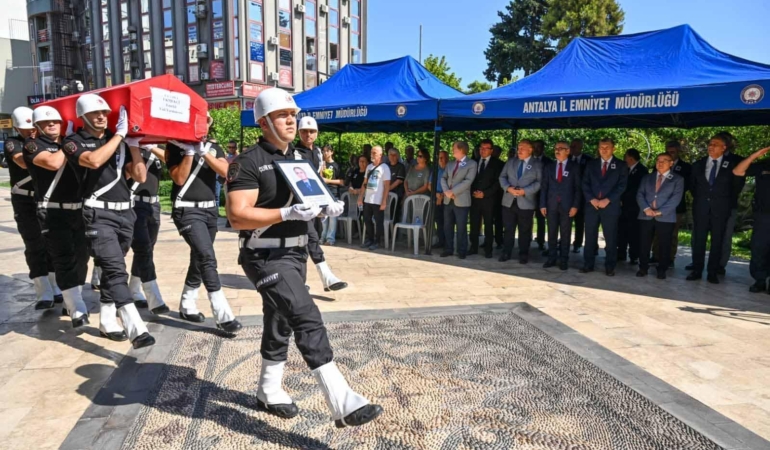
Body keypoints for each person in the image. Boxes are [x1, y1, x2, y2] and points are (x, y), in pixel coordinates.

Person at [226, 88, 382, 427]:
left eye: (293, 114)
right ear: (264, 122)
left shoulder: (300, 157)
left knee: (280, 319)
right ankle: (342, 400)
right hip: (264, 255)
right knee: (305, 314)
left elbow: (311, 199)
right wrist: (286, 213)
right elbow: (237, 215)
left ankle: (268, 389)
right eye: (283, 115)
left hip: (295, 253)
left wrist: (326, 207)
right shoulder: (248, 161)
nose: (291, 120)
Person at [64, 95, 155, 348]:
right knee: (115, 268)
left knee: (110, 269)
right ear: (83, 116)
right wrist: (119, 136)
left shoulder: (119, 141)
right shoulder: (73, 142)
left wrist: (133, 143)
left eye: (104, 112)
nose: (102, 116)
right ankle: (135, 328)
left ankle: (106, 320)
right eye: (95, 113)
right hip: (97, 214)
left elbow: (140, 175)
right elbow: (93, 161)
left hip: (126, 214)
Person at [166, 115, 241, 332]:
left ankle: (187, 304)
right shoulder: (174, 145)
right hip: (187, 210)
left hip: (209, 211)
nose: (204, 123)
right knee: (207, 257)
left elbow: (226, 172)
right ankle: (222, 314)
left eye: (208, 119)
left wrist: (202, 150)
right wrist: (189, 151)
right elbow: (179, 178)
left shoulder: (214, 147)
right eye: (199, 119)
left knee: (199, 258)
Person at [23, 106, 89, 328]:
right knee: (63, 258)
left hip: (77, 209)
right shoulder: (33, 146)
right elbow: (53, 163)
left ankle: (72, 300)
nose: (52, 125)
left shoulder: (69, 144)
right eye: (46, 122)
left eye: (56, 122)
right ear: (38, 126)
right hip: (52, 210)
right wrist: (70, 142)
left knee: (82, 257)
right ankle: (77, 306)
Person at [6, 107, 63, 310]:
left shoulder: (44, 143)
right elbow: (22, 163)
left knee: (51, 242)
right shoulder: (14, 143)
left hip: (43, 198)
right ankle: (43, 291)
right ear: (16, 127)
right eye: (25, 128)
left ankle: (55, 286)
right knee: (34, 243)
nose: (30, 131)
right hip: (24, 200)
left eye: (32, 127)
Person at [295, 117, 347, 292]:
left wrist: (326, 203)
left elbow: (318, 179)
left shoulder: (317, 152)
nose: (307, 134)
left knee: (312, 237)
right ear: (299, 132)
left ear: (316, 133)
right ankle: (327, 277)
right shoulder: (294, 152)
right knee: (310, 239)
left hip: (316, 202)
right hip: (301, 204)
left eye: (311, 131)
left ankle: (300, 281)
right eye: (304, 131)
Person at [687, 135, 742, 284]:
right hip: (701, 208)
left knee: (718, 240)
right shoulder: (698, 164)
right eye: (710, 144)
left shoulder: (732, 165)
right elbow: (693, 187)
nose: (711, 146)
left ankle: (713, 272)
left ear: (724, 148)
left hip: (721, 209)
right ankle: (697, 270)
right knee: (699, 240)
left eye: (715, 144)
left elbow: (736, 188)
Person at [127, 142, 170, 314]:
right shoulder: (130, 146)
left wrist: (151, 146)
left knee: (148, 248)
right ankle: (154, 298)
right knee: (143, 248)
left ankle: (134, 289)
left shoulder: (156, 147)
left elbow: (170, 160)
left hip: (153, 204)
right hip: (134, 203)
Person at [580, 138, 628, 276]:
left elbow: (622, 186)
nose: (604, 149)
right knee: (589, 237)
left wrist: (608, 200)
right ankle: (588, 265)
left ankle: (610, 266)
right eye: (601, 147)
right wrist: (591, 199)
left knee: (611, 238)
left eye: (607, 147)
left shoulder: (621, 165)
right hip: (592, 206)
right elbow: (585, 183)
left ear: (614, 148)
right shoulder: (591, 164)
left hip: (610, 207)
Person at [636, 153, 684, 279]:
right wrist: (646, 209)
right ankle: (643, 268)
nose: (660, 163)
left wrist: (660, 211)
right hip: (646, 215)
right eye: (658, 160)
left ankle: (661, 269)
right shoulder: (647, 177)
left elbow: (675, 199)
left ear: (671, 163)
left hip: (666, 217)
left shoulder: (677, 179)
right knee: (644, 243)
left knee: (664, 244)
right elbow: (640, 194)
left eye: (664, 160)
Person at [733, 146, 770, 293]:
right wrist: (755, 155)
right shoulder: (764, 165)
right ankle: (760, 280)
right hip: (763, 215)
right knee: (759, 248)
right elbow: (738, 171)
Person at [540, 141, 582, 270]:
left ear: (568, 151)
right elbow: (544, 187)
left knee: (565, 233)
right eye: (555, 148)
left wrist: (575, 205)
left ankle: (564, 259)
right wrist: (542, 204)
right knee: (551, 233)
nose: (557, 151)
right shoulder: (549, 166)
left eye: (561, 148)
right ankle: (552, 258)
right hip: (551, 205)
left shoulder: (574, 167)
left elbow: (578, 188)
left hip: (567, 206)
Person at [499, 140, 541, 264]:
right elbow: (502, 177)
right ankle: (506, 252)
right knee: (508, 229)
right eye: (519, 147)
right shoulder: (511, 162)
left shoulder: (537, 164)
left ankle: (523, 254)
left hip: (526, 201)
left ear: (530, 149)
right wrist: (508, 188)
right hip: (509, 201)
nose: (519, 150)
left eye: (523, 148)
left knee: (525, 230)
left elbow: (539, 182)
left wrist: (525, 191)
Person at [653, 141, 691, 267]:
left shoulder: (685, 167)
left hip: (676, 206)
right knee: (657, 232)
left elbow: (687, 186)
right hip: (658, 204)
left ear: (678, 151)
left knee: (672, 233)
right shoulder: (658, 165)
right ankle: (655, 256)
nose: (671, 154)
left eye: (673, 152)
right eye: (668, 151)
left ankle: (669, 258)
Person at [441, 141, 477, 259]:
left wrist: (453, 192)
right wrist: (447, 192)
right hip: (448, 199)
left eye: (454, 148)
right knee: (447, 225)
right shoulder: (450, 164)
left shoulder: (471, 164)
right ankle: (448, 248)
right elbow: (443, 178)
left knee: (461, 227)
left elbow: (468, 181)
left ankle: (462, 250)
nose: (452, 150)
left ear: (461, 150)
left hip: (461, 200)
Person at [716, 132, 746, 275]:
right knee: (699, 235)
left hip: (728, 205)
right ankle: (698, 262)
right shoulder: (706, 160)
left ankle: (720, 264)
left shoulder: (737, 160)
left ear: (726, 145)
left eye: (718, 143)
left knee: (725, 236)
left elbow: (738, 184)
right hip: (706, 205)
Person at [470, 139, 503, 258]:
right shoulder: (473, 162)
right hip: (474, 198)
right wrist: (474, 192)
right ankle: (473, 247)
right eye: (481, 148)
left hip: (489, 199)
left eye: (485, 148)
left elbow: (498, 182)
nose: (482, 150)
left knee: (488, 224)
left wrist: (485, 193)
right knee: (474, 224)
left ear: (491, 150)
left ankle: (488, 249)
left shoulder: (498, 164)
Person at [617, 148, 648, 264]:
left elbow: (639, 189)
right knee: (622, 231)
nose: (624, 159)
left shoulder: (642, 170)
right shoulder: (625, 169)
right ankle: (621, 253)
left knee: (634, 232)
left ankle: (634, 255)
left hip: (635, 207)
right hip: (623, 206)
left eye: (625, 157)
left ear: (630, 158)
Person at [358, 146, 391, 250]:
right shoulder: (369, 167)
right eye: (372, 152)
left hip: (378, 199)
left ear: (380, 155)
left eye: (375, 153)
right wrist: (360, 197)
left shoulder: (384, 167)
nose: (372, 154)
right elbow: (365, 183)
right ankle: (370, 239)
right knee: (367, 220)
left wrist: (384, 201)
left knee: (378, 221)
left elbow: (387, 186)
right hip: (368, 199)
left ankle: (377, 241)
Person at [570, 138, 593, 253]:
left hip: (583, 197)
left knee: (580, 221)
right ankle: (563, 241)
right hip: (568, 196)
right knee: (565, 221)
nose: (572, 148)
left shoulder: (589, 160)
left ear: (581, 147)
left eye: (575, 146)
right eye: (571, 146)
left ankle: (577, 243)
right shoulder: (567, 158)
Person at [320, 144, 344, 245]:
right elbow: (320, 179)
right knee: (323, 217)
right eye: (323, 151)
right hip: (323, 193)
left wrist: (328, 181)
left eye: (327, 151)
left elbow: (342, 182)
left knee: (332, 217)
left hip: (333, 192)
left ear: (332, 152)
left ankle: (330, 239)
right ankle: (322, 237)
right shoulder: (322, 164)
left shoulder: (336, 166)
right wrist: (321, 169)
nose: (325, 153)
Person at [532, 140, 551, 252]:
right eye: (534, 147)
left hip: (542, 195)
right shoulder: (528, 160)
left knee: (541, 219)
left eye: (539, 147)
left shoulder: (548, 162)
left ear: (543, 148)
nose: (536, 149)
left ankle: (541, 241)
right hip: (528, 194)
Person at [433, 150, 449, 250]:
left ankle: (448, 242)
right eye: (440, 158)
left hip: (447, 198)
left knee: (447, 221)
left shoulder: (450, 169)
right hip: (437, 196)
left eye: (443, 157)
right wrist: (436, 194)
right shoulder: (436, 170)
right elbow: (430, 184)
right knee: (438, 220)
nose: (441, 160)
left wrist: (442, 195)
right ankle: (441, 241)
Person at [386, 148, 407, 221]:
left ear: (398, 156)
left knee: (394, 215)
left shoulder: (401, 167)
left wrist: (387, 189)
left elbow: (398, 181)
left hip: (396, 194)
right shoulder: (385, 166)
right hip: (385, 195)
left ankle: (394, 232)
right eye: (390, 155)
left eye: (394, 155)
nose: (392, 156)